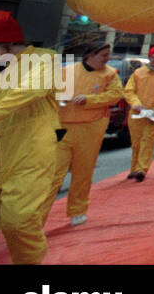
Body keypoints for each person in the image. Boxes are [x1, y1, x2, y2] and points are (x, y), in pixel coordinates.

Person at [0, 16, 60, 264]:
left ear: (8, 44)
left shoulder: (43, 59)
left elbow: (32, 90)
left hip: (28, 154)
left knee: (18, 221)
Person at [51, 40, 123, 227]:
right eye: (104, 55)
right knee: (53, 173)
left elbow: (115, 95)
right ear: (89, 55)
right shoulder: (66, 71)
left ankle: (78, 210)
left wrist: (89, 100)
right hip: (63, 126)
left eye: (108, 55)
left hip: (91, 128)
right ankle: (36, 216)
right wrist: (58, 99)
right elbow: (50, 92)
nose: (107, 59)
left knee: (83, 172)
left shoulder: (110, 74)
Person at [123, 45, 154, 181]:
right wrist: (136, 104)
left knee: (148, 141)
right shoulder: (138, 73)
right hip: (138, 113)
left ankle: (141, 169)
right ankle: (134, 168)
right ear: (149, 57)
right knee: (137, 142)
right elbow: (129, 90)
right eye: (153, 56)